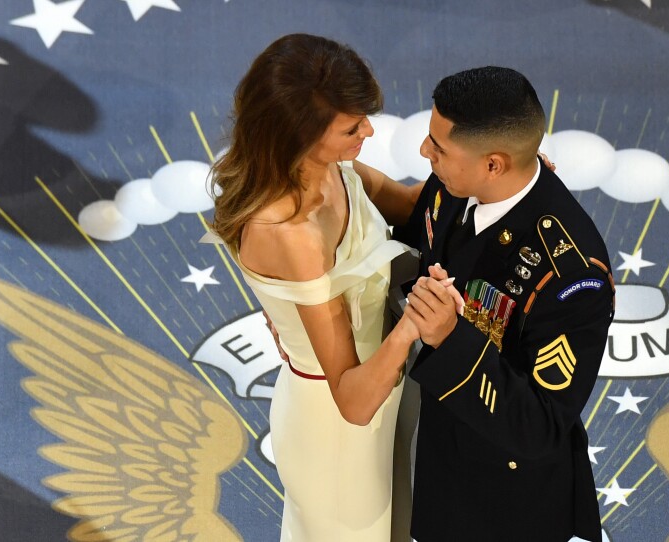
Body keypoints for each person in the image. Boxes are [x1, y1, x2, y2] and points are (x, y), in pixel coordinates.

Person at [209, 34, 428, 541]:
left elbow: (417, 207)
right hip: (338, 434)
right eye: (352, 126)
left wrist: (509, 186)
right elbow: (350, 399)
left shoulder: (334, 168)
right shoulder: (291, 235)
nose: (369, 130)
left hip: (383, 394)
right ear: (297, 134)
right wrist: (414, 323)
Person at [394, 66, 614, 542]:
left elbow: (540, 425)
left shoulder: (570, 277)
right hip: (441, 459)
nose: (423, 152)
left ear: (494, 164)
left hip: (505, 503)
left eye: (438, 147)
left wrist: (450, 337)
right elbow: (417, 238)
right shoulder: (459, 185)